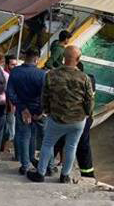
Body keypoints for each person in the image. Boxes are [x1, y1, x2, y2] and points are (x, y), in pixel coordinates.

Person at [28, 45, 93, 184]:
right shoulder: (84, 78)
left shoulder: (51, 74)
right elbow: (89, 100)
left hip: (56, 119)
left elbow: (44, 96)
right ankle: (65, 176)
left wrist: (47, 111)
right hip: (77, 120)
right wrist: (87, 114)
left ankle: (40, 173)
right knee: (71, 146)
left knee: (47, 144)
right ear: (78, 59)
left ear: (63, 57)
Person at [6, 47, 46, 176]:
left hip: (22, 109)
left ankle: (25, 164)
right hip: (37, 111)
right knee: (41, 137)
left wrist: (23, 108)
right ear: (36, 59)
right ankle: (40, 162)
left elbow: (10, 92)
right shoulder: (41, 74)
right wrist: (39, 111)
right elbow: (44, 95)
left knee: (24, 135)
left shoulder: (15, 72)